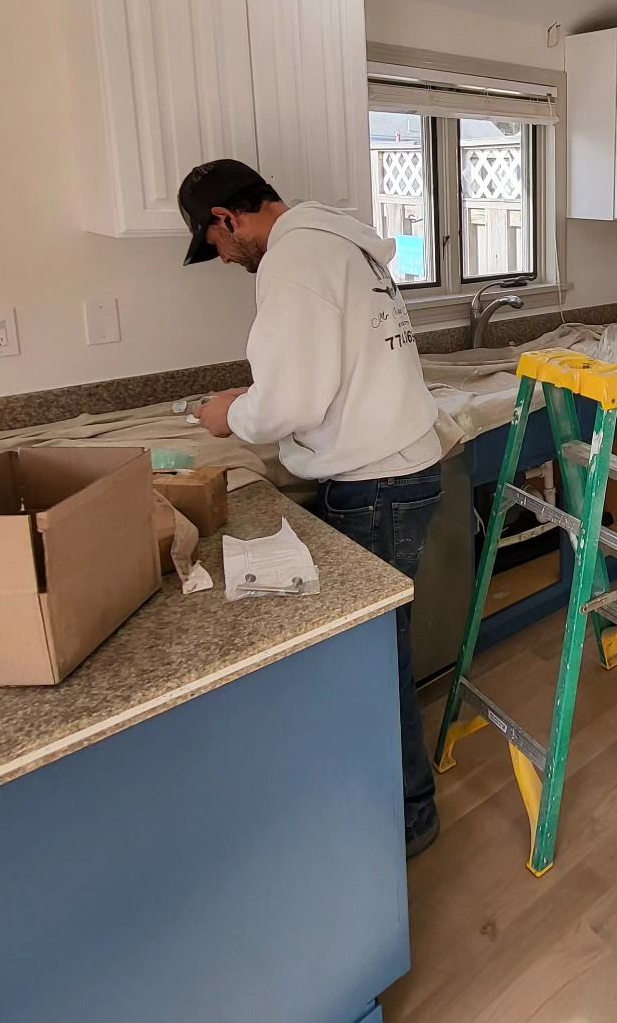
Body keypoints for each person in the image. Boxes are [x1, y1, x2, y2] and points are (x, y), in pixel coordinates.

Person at [177, 158, 443, 857]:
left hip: (374, 482)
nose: (222, 258)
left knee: (373, 657)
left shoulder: (293, 263)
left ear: (226, 219)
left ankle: (409, 818)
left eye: (215, 244)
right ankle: (397, 804)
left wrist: (227, 412)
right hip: (403, 464)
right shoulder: (341, 241)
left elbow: (291, 400)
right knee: (381, 648)